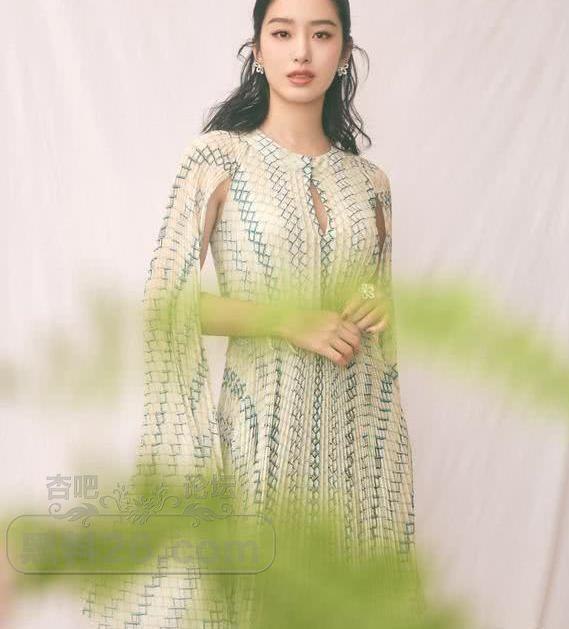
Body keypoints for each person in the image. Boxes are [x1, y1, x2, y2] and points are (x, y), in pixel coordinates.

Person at [82, 0, 417, 626]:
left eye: (322, 35)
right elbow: (165, 298)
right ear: (258, 50)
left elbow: (382, 308)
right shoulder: (218, 158)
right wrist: (287, 321)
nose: (301, 51)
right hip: (259, 433)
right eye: (282, 33)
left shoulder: (371, 182)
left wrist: (372, 302)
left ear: (344, 53)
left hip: (355, 443)